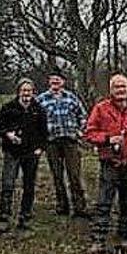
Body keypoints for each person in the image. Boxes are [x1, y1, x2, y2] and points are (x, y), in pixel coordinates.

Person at [84, 73, 127, 254]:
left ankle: (124, 238)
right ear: (111, 90)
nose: (121, 90)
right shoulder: (101, 109)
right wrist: (107, 139)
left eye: (123, 86)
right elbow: (89, 133)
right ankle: (98, 240)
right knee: (104, 202)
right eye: (117, 87)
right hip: (111, 163)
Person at [0, 78, 48, 233]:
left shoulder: (38, 109)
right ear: (18, 92)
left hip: (31, 153)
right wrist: (8, 134)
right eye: (24, 90)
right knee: (8, 184)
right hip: (12, 152)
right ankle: (4, 218)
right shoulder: (9, 108)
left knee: (29, 186)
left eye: (29, 91)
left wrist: (40, 148)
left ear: (33, 92)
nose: (26, 93)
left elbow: (44, 132)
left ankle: (25, 217)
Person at [36, 69, 90, 217]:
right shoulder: (41, 100)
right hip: (51, 142)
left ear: (63, 82)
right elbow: (34, 121)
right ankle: (62, 206)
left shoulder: (71, 97)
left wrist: (80, 131)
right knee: (57, 175)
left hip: (70, 141)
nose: (55, 82)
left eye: (58, 80)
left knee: (74, 175)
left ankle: (80, 208)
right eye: (53, 80)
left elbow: (83, 116)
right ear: (49, 82)